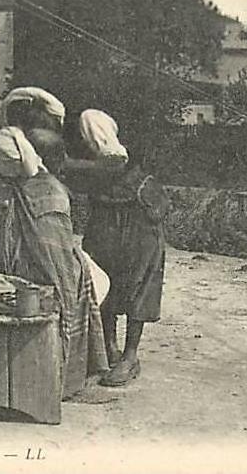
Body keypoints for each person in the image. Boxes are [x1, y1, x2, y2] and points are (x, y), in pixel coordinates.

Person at [0, 125, 109, 398]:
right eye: (59, 156)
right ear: (47, 158)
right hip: (32, 288)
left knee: (82, 266)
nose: (63, 161)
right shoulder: (51, 190)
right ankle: (80, 363)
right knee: (95, 278)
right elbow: (58, 261)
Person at [64, 109, 169, 387]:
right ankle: (110, 348)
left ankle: (130, 357)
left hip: (138, 227)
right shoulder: (92, 159)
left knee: (139, 290)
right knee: (104, 284)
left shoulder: (115, 156)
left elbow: (107, 165)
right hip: (105, 225)